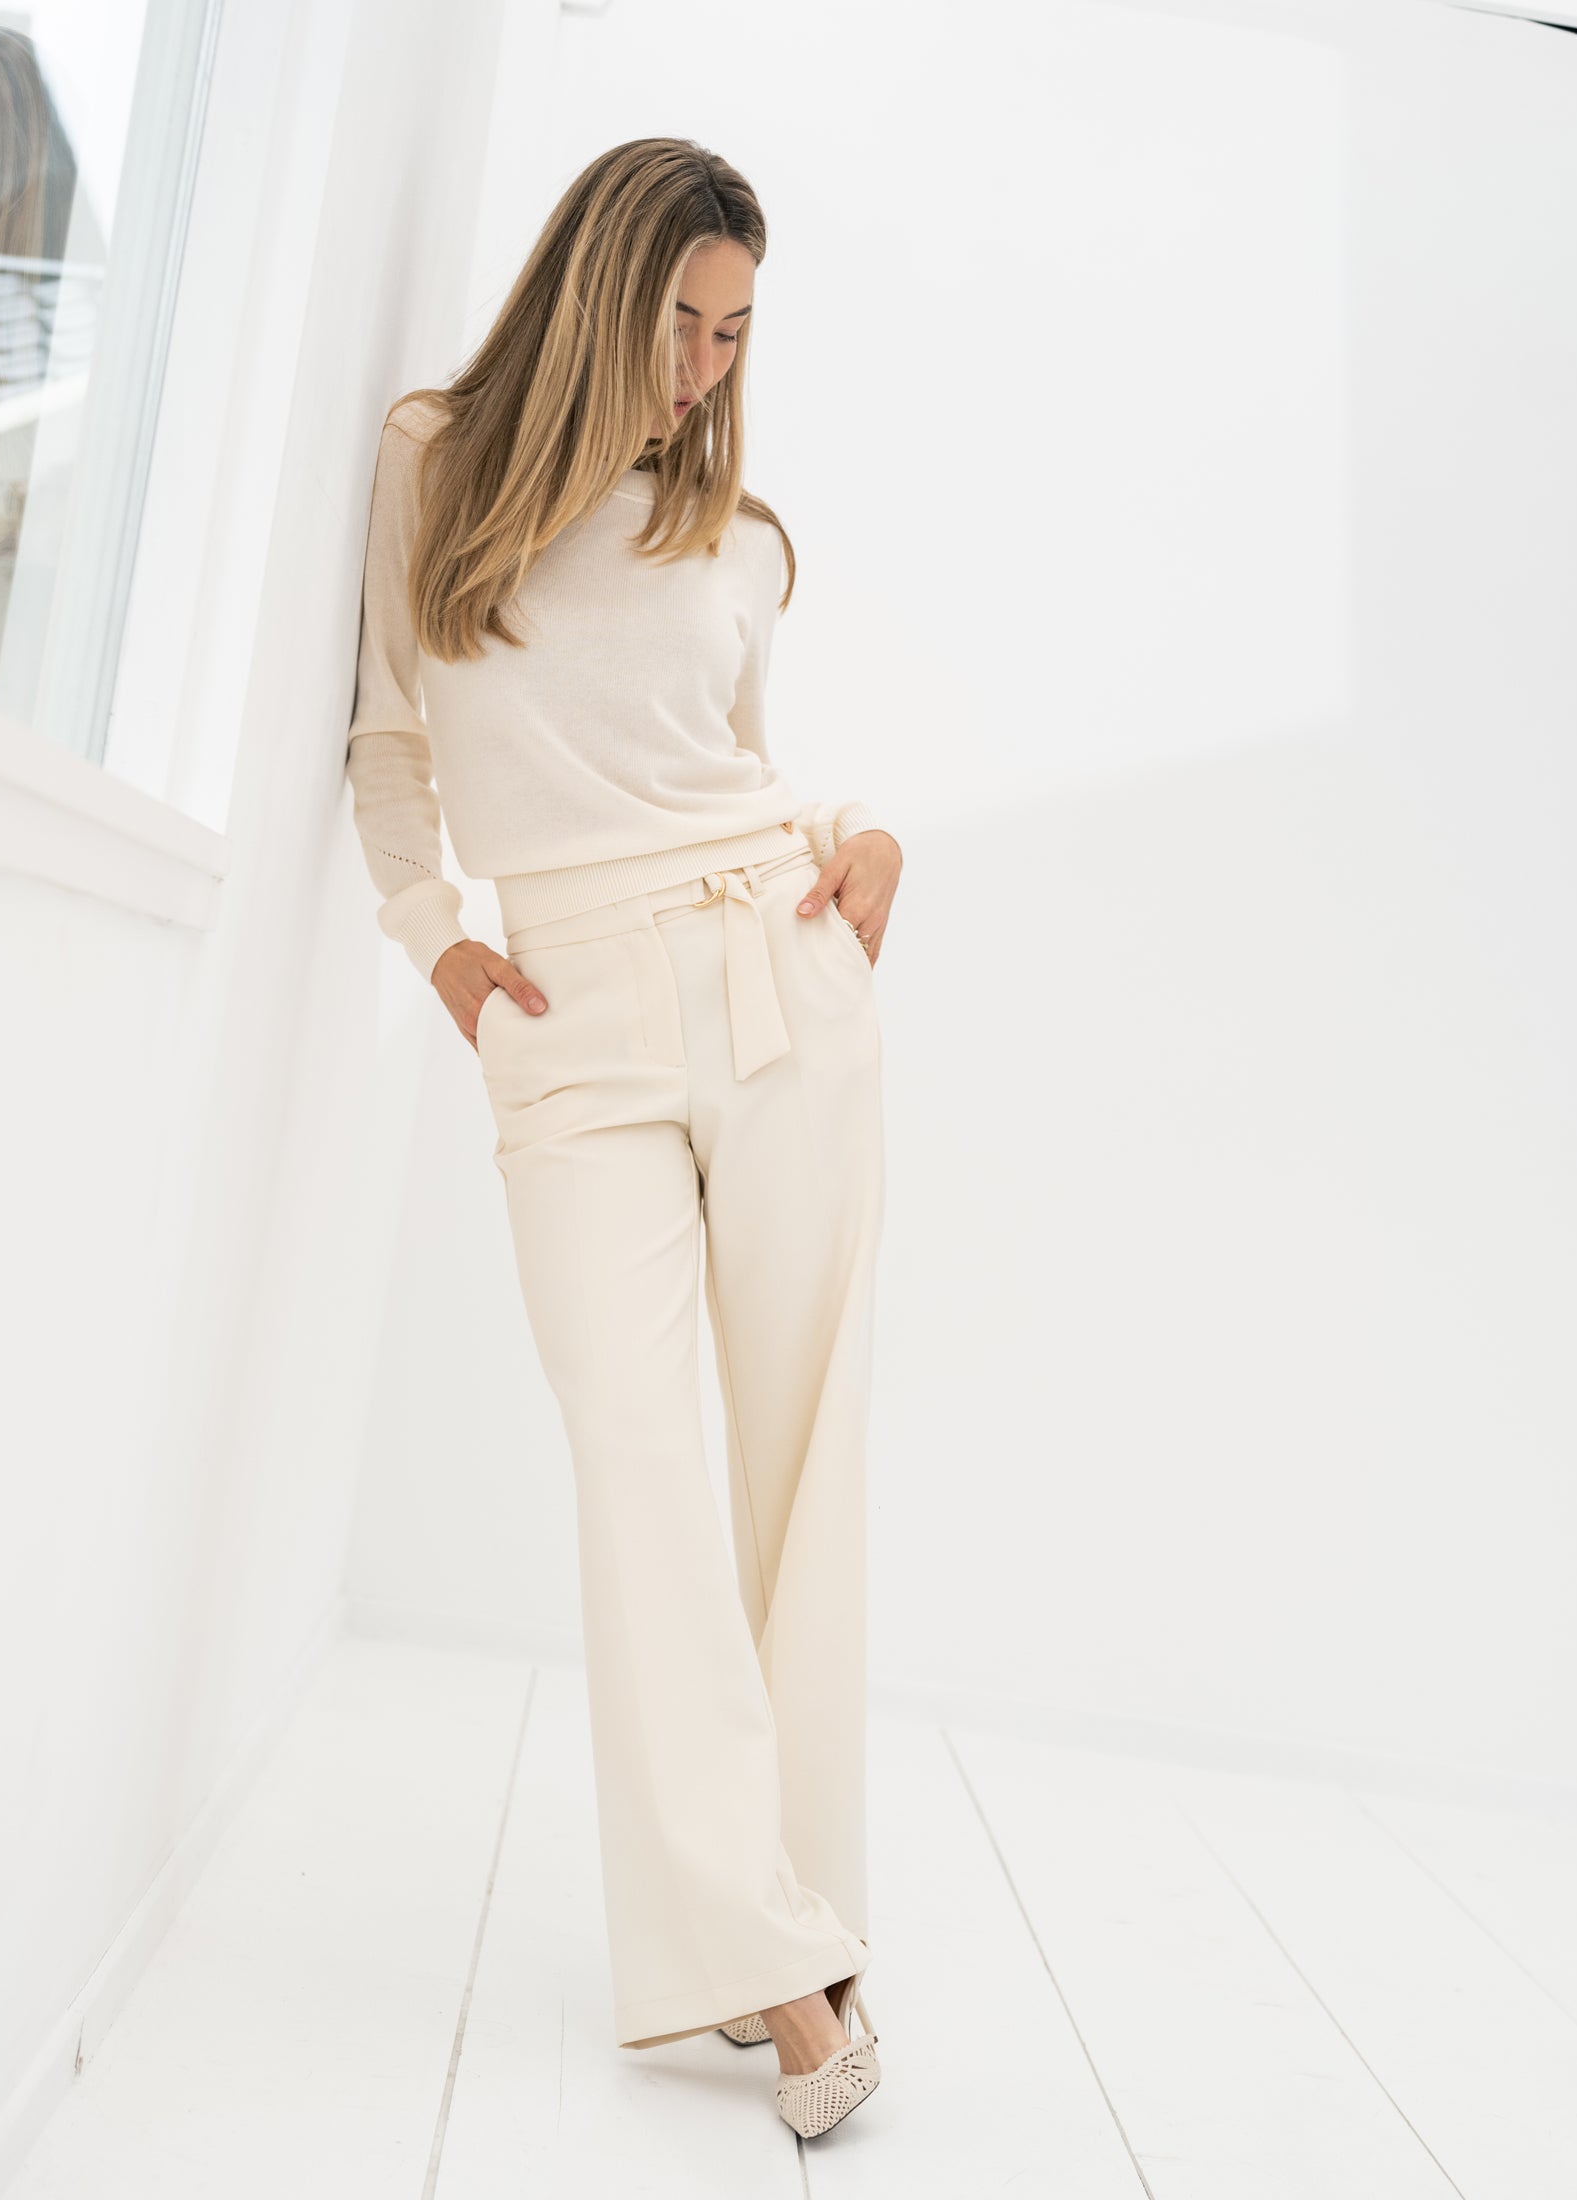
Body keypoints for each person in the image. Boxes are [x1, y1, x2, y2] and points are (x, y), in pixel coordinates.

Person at [343, 136, 900, 2140]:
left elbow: (732, 770)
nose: (699, 368)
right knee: (641, 1467)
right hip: (567, 1022)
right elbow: (390, 753)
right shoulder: (435, 462)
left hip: (779, 973)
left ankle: (796, 1933)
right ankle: (770, 1951)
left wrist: (864, 852)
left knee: (789, 1475)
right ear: (598, 284)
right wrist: (446, 957)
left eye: (735, 334)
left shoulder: (736, 532)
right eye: (678, 319)